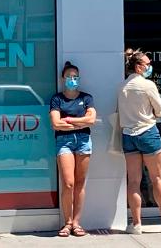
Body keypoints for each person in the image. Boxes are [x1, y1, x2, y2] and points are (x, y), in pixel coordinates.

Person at [117, 49, 161, 234]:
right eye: (147, 64)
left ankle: (136, 223)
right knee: (157, 178)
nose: (149, 67)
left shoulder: (122, 86)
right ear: (138, 66)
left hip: (128, 135)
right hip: (148, 132)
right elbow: (160, 110)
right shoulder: (147, 85)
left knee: (133, 181)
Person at [49, 61, 96, 237]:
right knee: (68, 183)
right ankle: (67, 222)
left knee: (79, 183)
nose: (72, 79)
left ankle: (77, 222)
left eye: (75, 76)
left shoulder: (86, 98)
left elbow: (91, 120)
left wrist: (69, 121)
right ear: (63, 78)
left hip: (84, 140)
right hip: (64, 142)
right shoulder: (57, 99)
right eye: (69, 76)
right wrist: (80, 121)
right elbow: (55, 123)